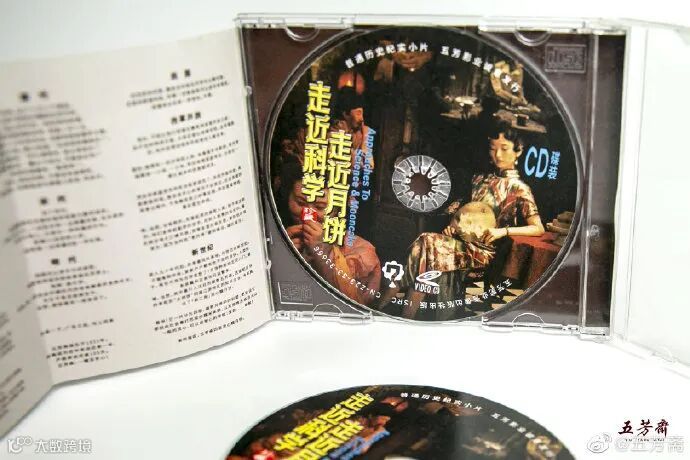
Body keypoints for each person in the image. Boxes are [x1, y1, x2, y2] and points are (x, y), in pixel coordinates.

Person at [382, 120, 544, 319]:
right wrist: (452, 225)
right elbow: (464, 211)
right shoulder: (479, 179)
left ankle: (388, 305)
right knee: (427, 246)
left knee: (427, 244)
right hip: (460, 241)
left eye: (504, 148)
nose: (498, 155)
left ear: (518, 152)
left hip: (483, 250)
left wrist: (502, 231)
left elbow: (538, 228)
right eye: (493, 148)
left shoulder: (520, 189)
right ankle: (404, 312)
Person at [278, 162, 382, 306]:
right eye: (300, 202)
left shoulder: (363, 251)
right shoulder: (275, 234)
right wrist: (280, 253)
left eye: (320, 206)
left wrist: (324, 255)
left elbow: (356, 305)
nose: (307, 215)